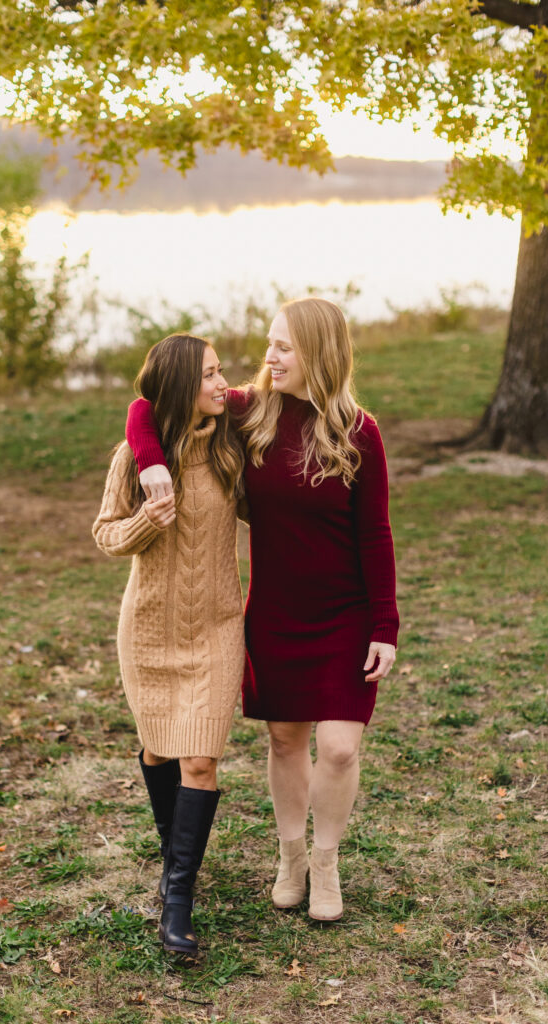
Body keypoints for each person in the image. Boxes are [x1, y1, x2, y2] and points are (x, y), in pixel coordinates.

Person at [125, 299, 398, 922]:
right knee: (284, 740)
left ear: (318, 356)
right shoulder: (251, 412)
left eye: (283, 349)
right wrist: (152, 462)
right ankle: (292, 857)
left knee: (337, 749)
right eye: (269, 345)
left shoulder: (360, 431)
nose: (268, 358)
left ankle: (326, 864)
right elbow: (148, 403)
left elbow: (375, 534)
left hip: (345, 612)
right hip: (275, 609)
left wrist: (384, 623)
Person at [92, 334, 246, 955]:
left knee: (200, 759)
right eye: (209, 375)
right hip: (150, 627)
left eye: (221, 372)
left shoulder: (232, 444)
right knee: (159, 748)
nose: (221, 383)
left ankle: (177, 896)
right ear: (184, 385)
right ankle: (171, 852)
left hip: (216, 625)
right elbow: (105, 534)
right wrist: (142, 524)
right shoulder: (133, 460)